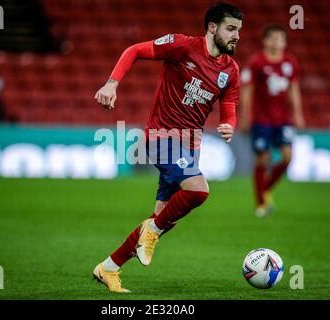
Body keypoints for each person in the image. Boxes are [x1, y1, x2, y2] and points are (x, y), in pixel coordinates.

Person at [93, 3, 243, 293]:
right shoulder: (182, 46)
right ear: (212, 27)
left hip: (190, 145)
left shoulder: (231, 70)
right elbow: (134, 50)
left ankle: (108, 268)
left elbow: (229, 106)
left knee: (163, 216)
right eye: (231, 28)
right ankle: (151, 232)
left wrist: (229, 124)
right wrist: (112, 84)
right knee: (198, 190)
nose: (237, 35)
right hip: (161, 137)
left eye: (239, 30)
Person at [239, 25, 305, 218]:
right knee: (263, 158)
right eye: (274, 38)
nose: (278, 42)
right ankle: (260, 203)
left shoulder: (290, 62)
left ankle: (264, 189)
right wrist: (245, 116)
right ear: (265, 41)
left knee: (287, 157)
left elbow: (293, 88)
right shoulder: (256, 62)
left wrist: (298, 113)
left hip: (283, 120)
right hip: (261, 120)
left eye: (281, 39)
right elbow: (247, 90)